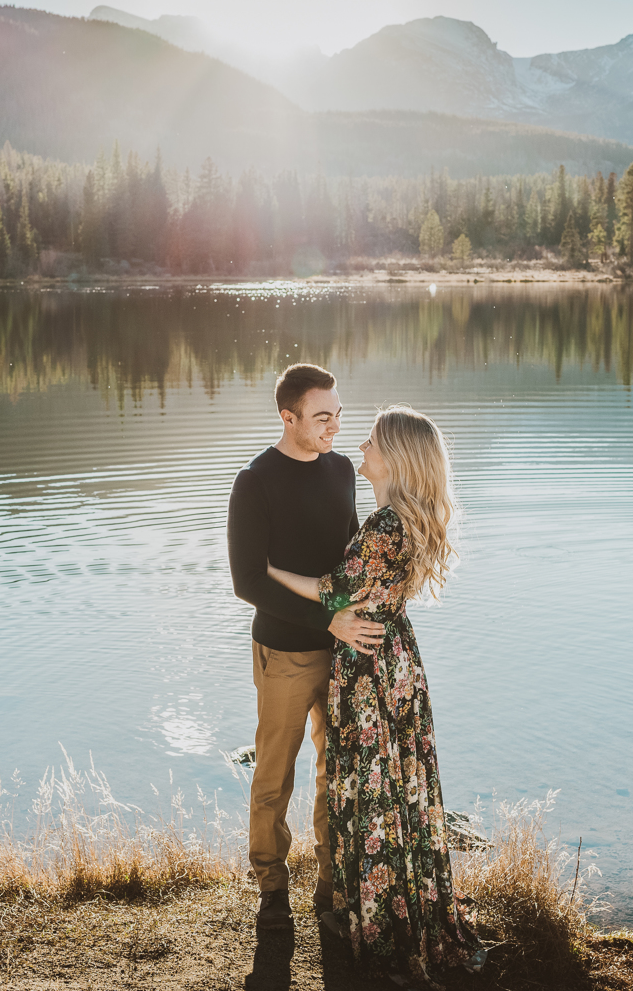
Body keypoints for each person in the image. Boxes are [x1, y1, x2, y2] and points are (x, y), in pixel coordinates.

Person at [268, 405, 485, 987]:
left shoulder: (385, 525)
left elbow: (331, 590)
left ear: (391, 456)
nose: (358, 446)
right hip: (398, 662)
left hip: (368, 671)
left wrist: (268, 570)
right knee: (400, 788)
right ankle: (396, 911)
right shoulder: (406, 519)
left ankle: (385, 928)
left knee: (373, 791)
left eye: (370, 440)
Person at [227, 364, 386, 932]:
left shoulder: (343, 470)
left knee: (335, 772)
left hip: (344, 653)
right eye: (323, 417)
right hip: (286, 654)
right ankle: (272, 889)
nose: (336, 426)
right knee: (275, 773)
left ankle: (330, 888)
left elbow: (352, 556)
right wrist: (329, 623)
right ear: (287, 417)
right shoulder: (255, 482)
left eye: (339, 414)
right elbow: (249, 582)